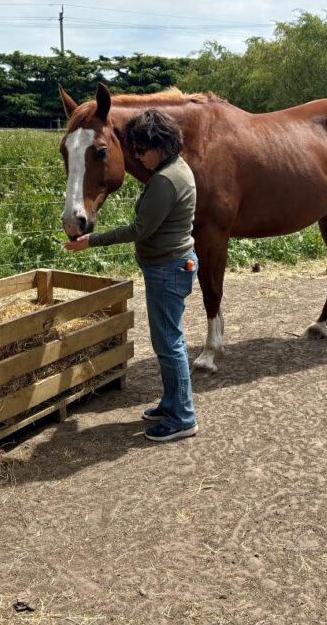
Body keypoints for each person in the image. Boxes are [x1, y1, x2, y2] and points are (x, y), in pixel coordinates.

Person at [64, 108, 199, 443]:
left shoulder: (166, 182)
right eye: (134, 150)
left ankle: (182, 417)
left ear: (161, 146)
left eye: (142, 150)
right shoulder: (175, 170)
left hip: (167, 270)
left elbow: (141, 229)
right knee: (168, 341)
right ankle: (171, 403)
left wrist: (91, 241)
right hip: (170, 266)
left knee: (169, 344)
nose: (137, 157)